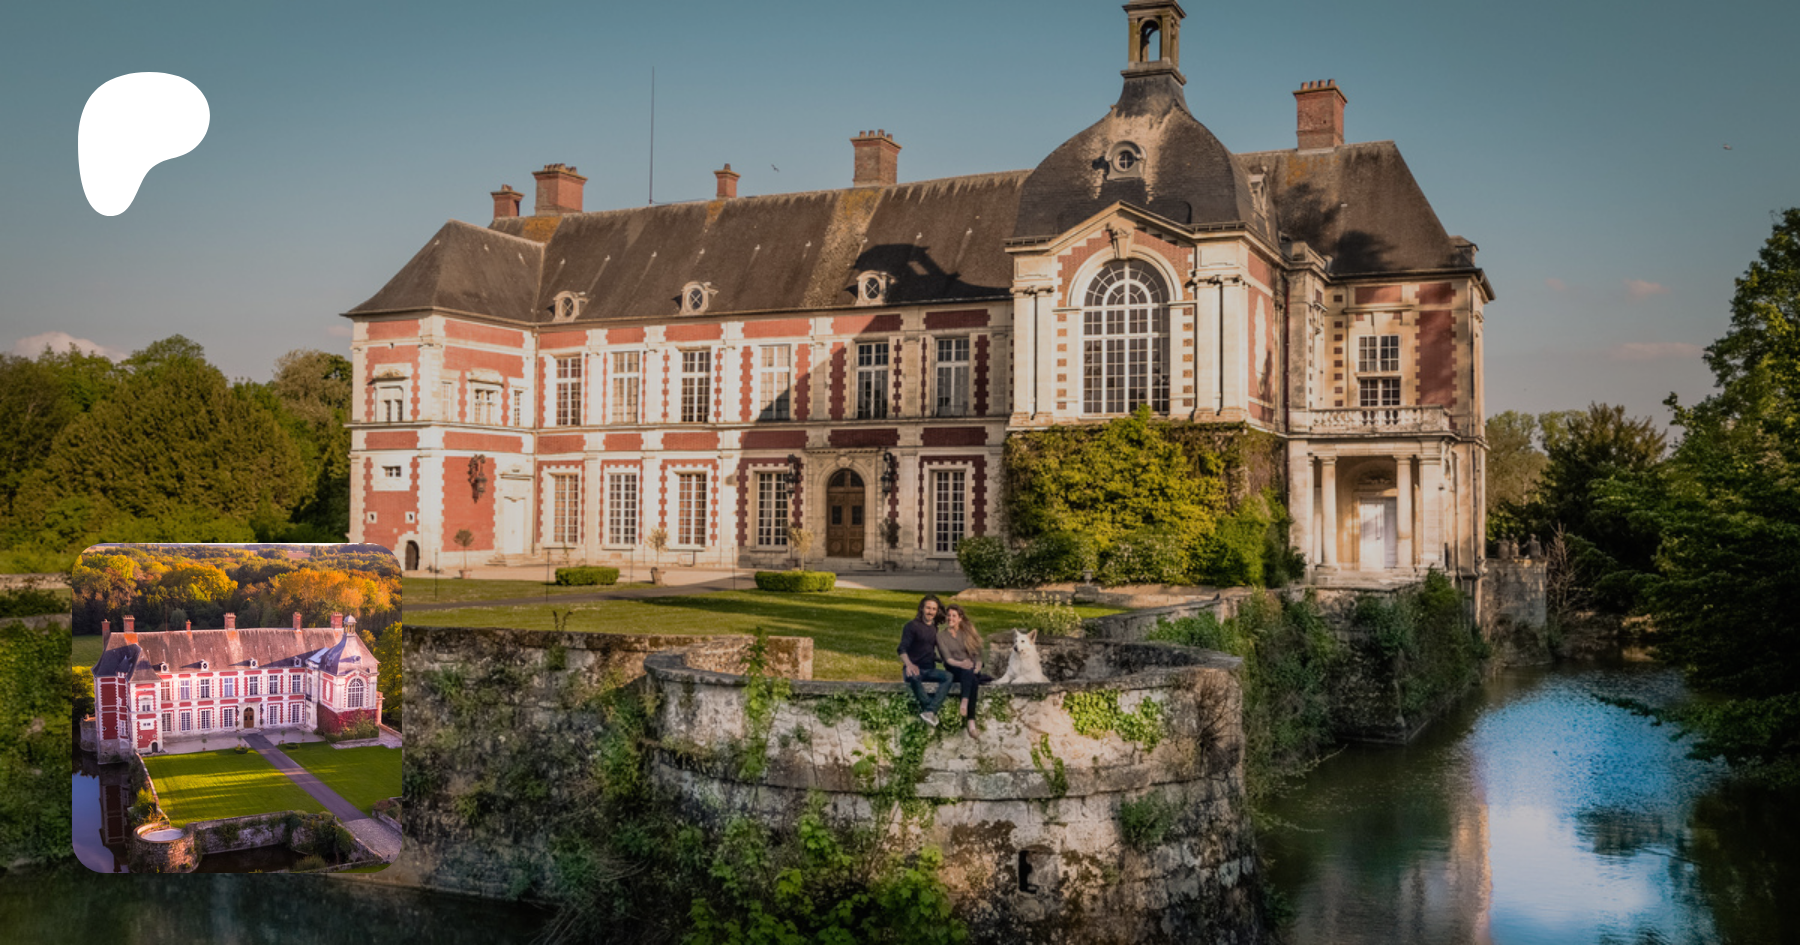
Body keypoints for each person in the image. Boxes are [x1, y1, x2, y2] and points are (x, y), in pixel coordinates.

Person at [898, 595, 950, 725]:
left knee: (948, 676)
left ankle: (930, 711)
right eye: (928, 608)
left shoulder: (934, 628)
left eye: (933, 609)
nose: (930, 612)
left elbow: (927, 650)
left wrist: (943, 659)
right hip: (914, 670)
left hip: (929, 670)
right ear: (922, 608)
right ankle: (930, 709)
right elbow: (902, 649)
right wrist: (909, 664)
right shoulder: (911, 626)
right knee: (914, 677)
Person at [937, 605, 985, 739]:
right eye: (948, 615)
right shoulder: (941, 636)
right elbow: (947, 659)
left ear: (960, 618)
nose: (950, 618)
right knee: (970, 675)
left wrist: (978, 666)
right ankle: (970, 719)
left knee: (972, 676)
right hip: (954, 668)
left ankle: (967, 710)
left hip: (970, 669)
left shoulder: (967, 634)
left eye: (954, 616)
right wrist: (961, 664)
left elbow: (978, 654)